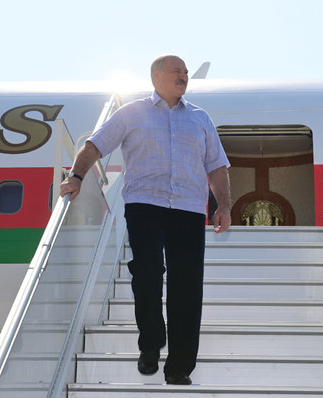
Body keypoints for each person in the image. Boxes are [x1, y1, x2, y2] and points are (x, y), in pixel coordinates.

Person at [60, 55, 231, 385]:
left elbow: (217, 166)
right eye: (176, 72)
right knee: (148, 271)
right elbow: (94, 146)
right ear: (157, 76)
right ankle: (151, 343)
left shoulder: (200, 118)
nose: (183, 77)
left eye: (185, 72)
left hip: (189, 209)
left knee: (187, 286)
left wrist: (222, 205)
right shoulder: (131, 114)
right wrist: (76, 176)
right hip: (145, 204)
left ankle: (180, 366)